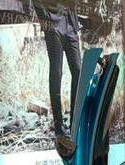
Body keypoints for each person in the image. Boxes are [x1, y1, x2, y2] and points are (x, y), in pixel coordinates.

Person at [34, 1, 81, 138]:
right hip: (53, 24)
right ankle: (58, 125)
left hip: (70, 22)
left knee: (78, 71)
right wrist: (46, 19)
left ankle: (75, 123)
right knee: (56, 73)